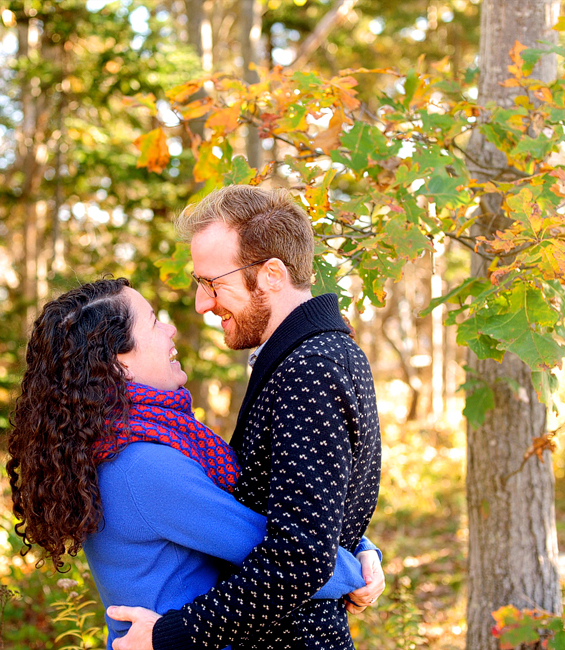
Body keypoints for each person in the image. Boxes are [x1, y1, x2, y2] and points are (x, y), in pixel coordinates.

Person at [6, 278, 383, 648]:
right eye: (153, 321)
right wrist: (359, 571)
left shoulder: (125, 440)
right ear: (119, 363)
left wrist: (360, 544)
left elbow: (272, 514)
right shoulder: (141, 465)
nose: (170, 329)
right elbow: (290, 555)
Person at [108, 185, 383, 650]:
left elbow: (298, 560)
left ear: (271, 274)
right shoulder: (300, 358)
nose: (202, 303)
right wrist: (359, 548)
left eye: (213, 283)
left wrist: (171, 634)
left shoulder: (311, 368)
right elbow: (301, 509)